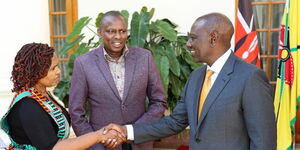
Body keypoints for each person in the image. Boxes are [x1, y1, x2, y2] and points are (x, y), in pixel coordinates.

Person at [103, 12, 277, 150]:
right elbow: (175, 122)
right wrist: (127, 131)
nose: (188, 44)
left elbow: (263, 141)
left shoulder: (250, 77)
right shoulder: (196, 77)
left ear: (213, 38)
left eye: (193, 38)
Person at [69, 11, 167, 150]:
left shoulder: (144, 57)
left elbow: (159, 101)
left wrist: (133, 131)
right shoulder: (83, 63)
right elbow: (76, 112)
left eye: (122, 31)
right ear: (99, 32)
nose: (118, 36)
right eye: (111, 31)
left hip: (139, 143)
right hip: (103, 146)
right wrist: (94, 144)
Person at [0, 43, 123, 150]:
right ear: (35, 72)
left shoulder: (42, 94)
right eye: (53, 69)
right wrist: (99, 135)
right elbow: (54, 147)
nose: (59, 71)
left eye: (57, 66)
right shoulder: (27, 105)